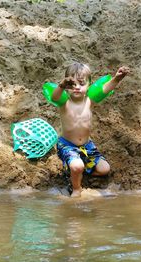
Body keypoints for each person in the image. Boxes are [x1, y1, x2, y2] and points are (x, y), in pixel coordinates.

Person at [51, 62, 130, 197]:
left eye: (81, 84)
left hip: (87, 146)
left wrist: (117, 78)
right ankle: (76, 188)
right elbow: (54, 97)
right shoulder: (64, 103)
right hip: (68, 145)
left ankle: (77, 172)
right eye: (72, 84)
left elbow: (105, 89)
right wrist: (61, 85)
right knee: (77, 166)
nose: (77, 87)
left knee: (105, 169)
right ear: (66, 87)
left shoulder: (89, 101)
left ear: (88, 86)